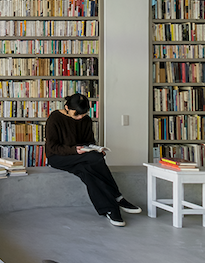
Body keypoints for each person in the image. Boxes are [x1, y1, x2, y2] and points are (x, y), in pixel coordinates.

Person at [45, 93, 140, 227]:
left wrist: (95, 148)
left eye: (83, 115)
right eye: (76, 114)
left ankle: (110, 209)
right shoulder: (55, 118)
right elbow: (52, 147)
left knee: (87, 171)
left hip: (79, 157)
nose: (79, 118)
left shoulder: (86, 120)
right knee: (96, 158)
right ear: (66, 107)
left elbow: (88, 142)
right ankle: (117, 196)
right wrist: (74, 150)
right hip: (58, 157)